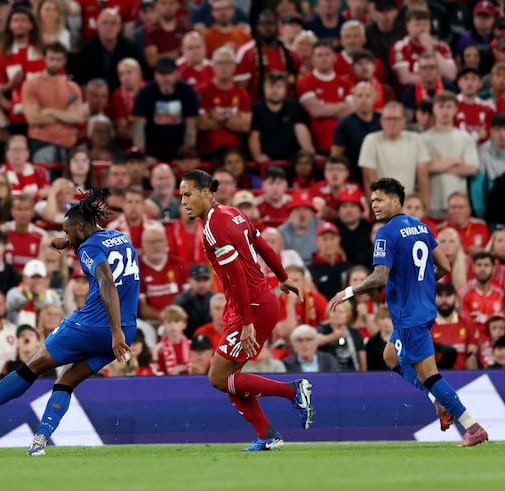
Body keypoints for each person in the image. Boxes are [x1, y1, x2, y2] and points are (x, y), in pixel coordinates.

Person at [0, 188, 139, 456]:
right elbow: (101, 253)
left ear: (81, 226)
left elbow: (107, 280)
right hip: (126, 329)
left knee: (32, 366)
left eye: (69, 231)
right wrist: (119, 333)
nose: (67, 236)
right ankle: (40, 440)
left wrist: (113, 330)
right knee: (68, 380)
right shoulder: (119, 237)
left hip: (92, 326)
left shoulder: (88, 246)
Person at [328, 177, 489, 447]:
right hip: (424, 308)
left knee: (430, 375)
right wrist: (420, 282)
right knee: (390, 354)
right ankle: (437, 398)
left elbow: (380, 276)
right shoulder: (422, 227)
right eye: (372, 200)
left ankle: (472, 426)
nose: (374, 204)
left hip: (408, 315)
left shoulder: (386, 233)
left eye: (379, 199)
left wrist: (348, 292)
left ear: (395, 201)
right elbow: (445, 267)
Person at [178, 169, 313, 451]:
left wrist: (247, 322)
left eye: (188, 194)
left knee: (218, 377)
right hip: (257, 301)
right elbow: (261, 244)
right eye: (181, 196)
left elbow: (237, 276)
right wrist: (283, 277)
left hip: (250, 306)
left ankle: (292, 390)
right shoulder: (232, 213)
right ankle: (267, 434)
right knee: (231, 379)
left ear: (205, 192)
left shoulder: (213, 229)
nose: (183, 202)